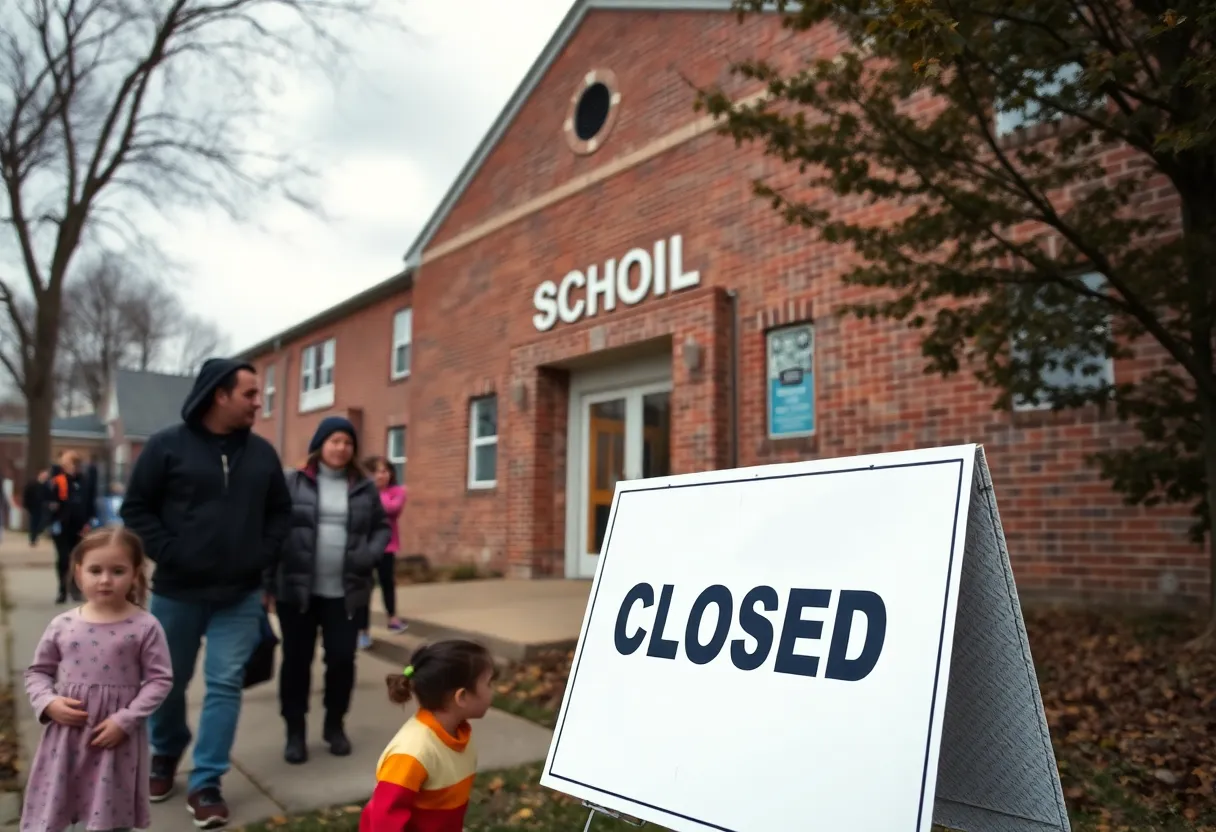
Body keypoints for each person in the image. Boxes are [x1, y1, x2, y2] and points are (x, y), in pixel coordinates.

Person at [120, 358, 292, 829]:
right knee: (166, 683)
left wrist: (261, 554)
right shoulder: (165, 446)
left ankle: (207, 781)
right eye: (250, 394)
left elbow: (281, 512)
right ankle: (166, 749)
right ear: (220, 395)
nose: (258, 403)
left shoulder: (262, 454)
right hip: (177, 593)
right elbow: (136, 508)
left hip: (239, 595)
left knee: (224, 683)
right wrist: (170, 551)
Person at [21, 526, 174, 832]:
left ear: (135, 574)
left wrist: (126, 719)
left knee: (108, 811)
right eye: (95, 570)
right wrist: (48, 703)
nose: (105, 579)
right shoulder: (63, 625)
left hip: (113, 737)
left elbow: (160, 680)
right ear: (79, 573)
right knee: (56, 806)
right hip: (66, 737)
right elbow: (38, 672)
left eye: (117, 571)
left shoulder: (144, 626)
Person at [275, 417, 391, 765]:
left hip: (346, 592)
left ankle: (334, 725)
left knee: (341, 660)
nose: (341, 448)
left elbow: (382, 528)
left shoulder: (364, 488)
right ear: (320, 444)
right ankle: (295, 731)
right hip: (298, 591)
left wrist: (369, 554)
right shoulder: (293, 481)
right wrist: (267, 582)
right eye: (335, 441)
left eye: (348, 442)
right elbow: (273, 529)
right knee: (296, 662)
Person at [359, 640, 495, 831]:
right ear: (462, 697)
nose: (493, 690)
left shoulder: (457, 735)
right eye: (489, 683)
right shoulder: (412, 753)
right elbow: (383, 822)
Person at [356, 455, 408, 649]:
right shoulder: (361, 492)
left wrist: (374, 494)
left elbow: (392, 508)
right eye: (376, 472)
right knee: (364, 587)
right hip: (366, 546)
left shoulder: (397, 492)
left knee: (387, 583)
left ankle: (392, 618)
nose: (381, 475)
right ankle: (362, 631)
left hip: (388, 546)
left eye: (385, 471)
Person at [46, 451, 93, 604]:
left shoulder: (84, 482)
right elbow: (50, 502)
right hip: (61, 525)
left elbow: (89, 502)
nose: (74, 468)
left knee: (77, 558)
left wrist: (88, 522)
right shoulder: (58, 481)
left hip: (79, 526)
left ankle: (75, 588)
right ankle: (62, 590)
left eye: (76, 465)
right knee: (62, 558)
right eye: (70, 464)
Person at [23, 470, 47, 546]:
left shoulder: (45, 485)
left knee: (41, 522)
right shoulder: (32, 484)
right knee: (34, 522)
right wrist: (27, 505)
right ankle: (33, 538)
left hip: (42, 507)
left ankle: (36, 535)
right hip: (33, 506)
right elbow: (26, 494)